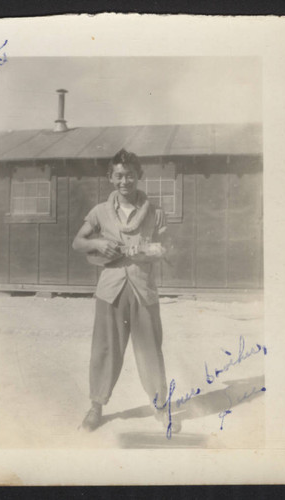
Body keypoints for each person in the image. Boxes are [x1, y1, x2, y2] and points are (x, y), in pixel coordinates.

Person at [72, 149, 180, 434]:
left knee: (150, 350)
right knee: (105, 350)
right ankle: (96, 407)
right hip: (110, 292)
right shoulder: (99, 212)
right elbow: (78, 243)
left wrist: (146, 249)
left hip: (144, 289)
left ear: (138, 177)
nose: (124, 181)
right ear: (110, 178)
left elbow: (169, 248)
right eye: (118, 175)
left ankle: (159, 406)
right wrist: (97, 245)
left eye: (130, 175)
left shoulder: (155, 212)